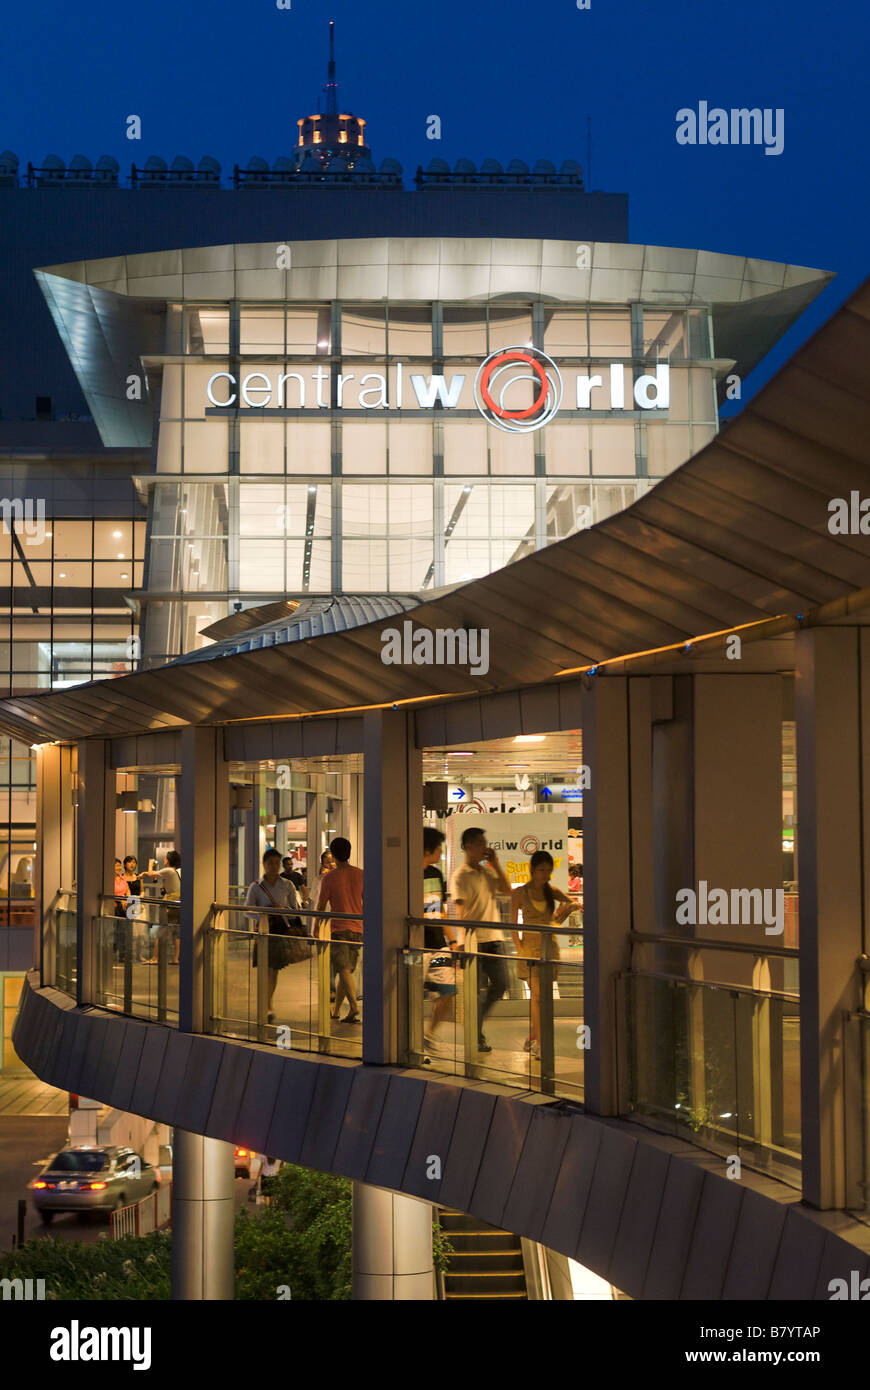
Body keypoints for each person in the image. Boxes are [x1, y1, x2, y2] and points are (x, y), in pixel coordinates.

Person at [448, 826, 511, 1054]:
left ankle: (475, 1025)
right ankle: (476, 1035)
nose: (485, 847)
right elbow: (461, 910)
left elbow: (507, 889)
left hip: (494, 938)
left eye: (486, 843)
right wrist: (462, 944)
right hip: (473, 942)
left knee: (502, 983)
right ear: (469, 846)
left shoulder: (487, 869)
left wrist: (495, 863)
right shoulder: (460, 876)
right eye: (481, 843)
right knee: (473, 992)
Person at [510, 851, 573, 1059]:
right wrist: (520, 949)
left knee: (542, 997)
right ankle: (540, 1042)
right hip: (529, 950)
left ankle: (533, 1037)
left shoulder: (551, 891)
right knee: (536, 996)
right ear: (532, 870)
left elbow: (571, 902)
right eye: (541, 870)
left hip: (548, 948)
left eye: (548, 870)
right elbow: (511, 925)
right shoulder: (520, 893)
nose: (545, 874)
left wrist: (559, 917)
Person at [245, 848, 301, 1022]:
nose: (274, 867)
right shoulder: (256, 886)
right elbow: (248, 909)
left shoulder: (287, 885)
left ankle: (268, 1002)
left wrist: (282, 910)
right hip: (263, 931)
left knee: (274, 970)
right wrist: (264, 915)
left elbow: (295, 910)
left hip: (279, 931)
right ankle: (266, 1004)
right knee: (265, 970)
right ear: (264, 864)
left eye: (277, 863)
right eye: (271, 863)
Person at [315, 837, 363, 1024]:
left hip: (339, 929)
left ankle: (353, 1007)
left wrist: (316, 926)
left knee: (343, 969)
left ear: (333, 855)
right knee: (347, 970)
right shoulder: (361, 874)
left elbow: (320, 905)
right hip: (358, 928)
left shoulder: (330, 878)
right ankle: (336, 1011)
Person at [422, 827, 458, 1053]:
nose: (440, 853)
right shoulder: (403, 874)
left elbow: (438, 909)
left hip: (437, 947)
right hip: (414, 948)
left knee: (447, 990)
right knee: (411, 992)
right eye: (438, 848)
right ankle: (409, 1036)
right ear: (428, 849)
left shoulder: (435, 874)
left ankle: (429, 1034)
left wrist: (451, 940)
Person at [141, 850, 182, 964]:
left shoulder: (168, 870)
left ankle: (155, 958)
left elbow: (151, 874)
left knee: (159, 930)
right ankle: (175, 958)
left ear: (168, 860)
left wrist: (150, 864)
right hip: (179, 904)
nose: (164, 860)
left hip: (169, 905)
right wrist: (144, 873)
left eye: (165, 858)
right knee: (178, 933)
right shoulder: (178, 871)